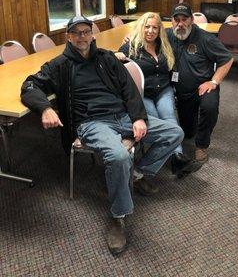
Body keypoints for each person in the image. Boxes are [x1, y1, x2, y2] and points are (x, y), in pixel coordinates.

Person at [20, 15, 183, 255]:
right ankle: (118, 217)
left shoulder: (107, 58)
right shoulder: (59, 65)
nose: (82, 37)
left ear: (92, 34)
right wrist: (44, 108)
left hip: (122, 116)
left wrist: (138, 117)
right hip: (92, 123)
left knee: (174, 133)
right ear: (68, 37)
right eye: (76, 33)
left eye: (86, 32)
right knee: (118, 156)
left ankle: (138, 174)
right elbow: (30, 85)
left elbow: (129, 90)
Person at [115, 12, 201, 178]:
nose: (150, 31)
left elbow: (183, 32)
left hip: (164, 89)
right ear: (141, 27)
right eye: (147, 26)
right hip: (143, 93)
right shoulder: (130, 46)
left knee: (169, 116)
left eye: (155, 27)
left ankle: (177, 157)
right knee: (158, 121)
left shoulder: (164, 43)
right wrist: (116, 54)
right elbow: (113, 61)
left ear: (160, 29)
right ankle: (173, 156)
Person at [166, 3, 233, 163]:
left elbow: (227, 59)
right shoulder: (167, 35)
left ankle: (201, 146)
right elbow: (145, 38)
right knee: (188, 132)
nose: (180, 24)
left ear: (192, 20)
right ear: (172, 21)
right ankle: (193, 127)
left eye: (185, 19)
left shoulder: (205, 38)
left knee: (209, 108)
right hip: (182, 91)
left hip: (204, 86)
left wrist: (214, 82)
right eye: (177, 20)